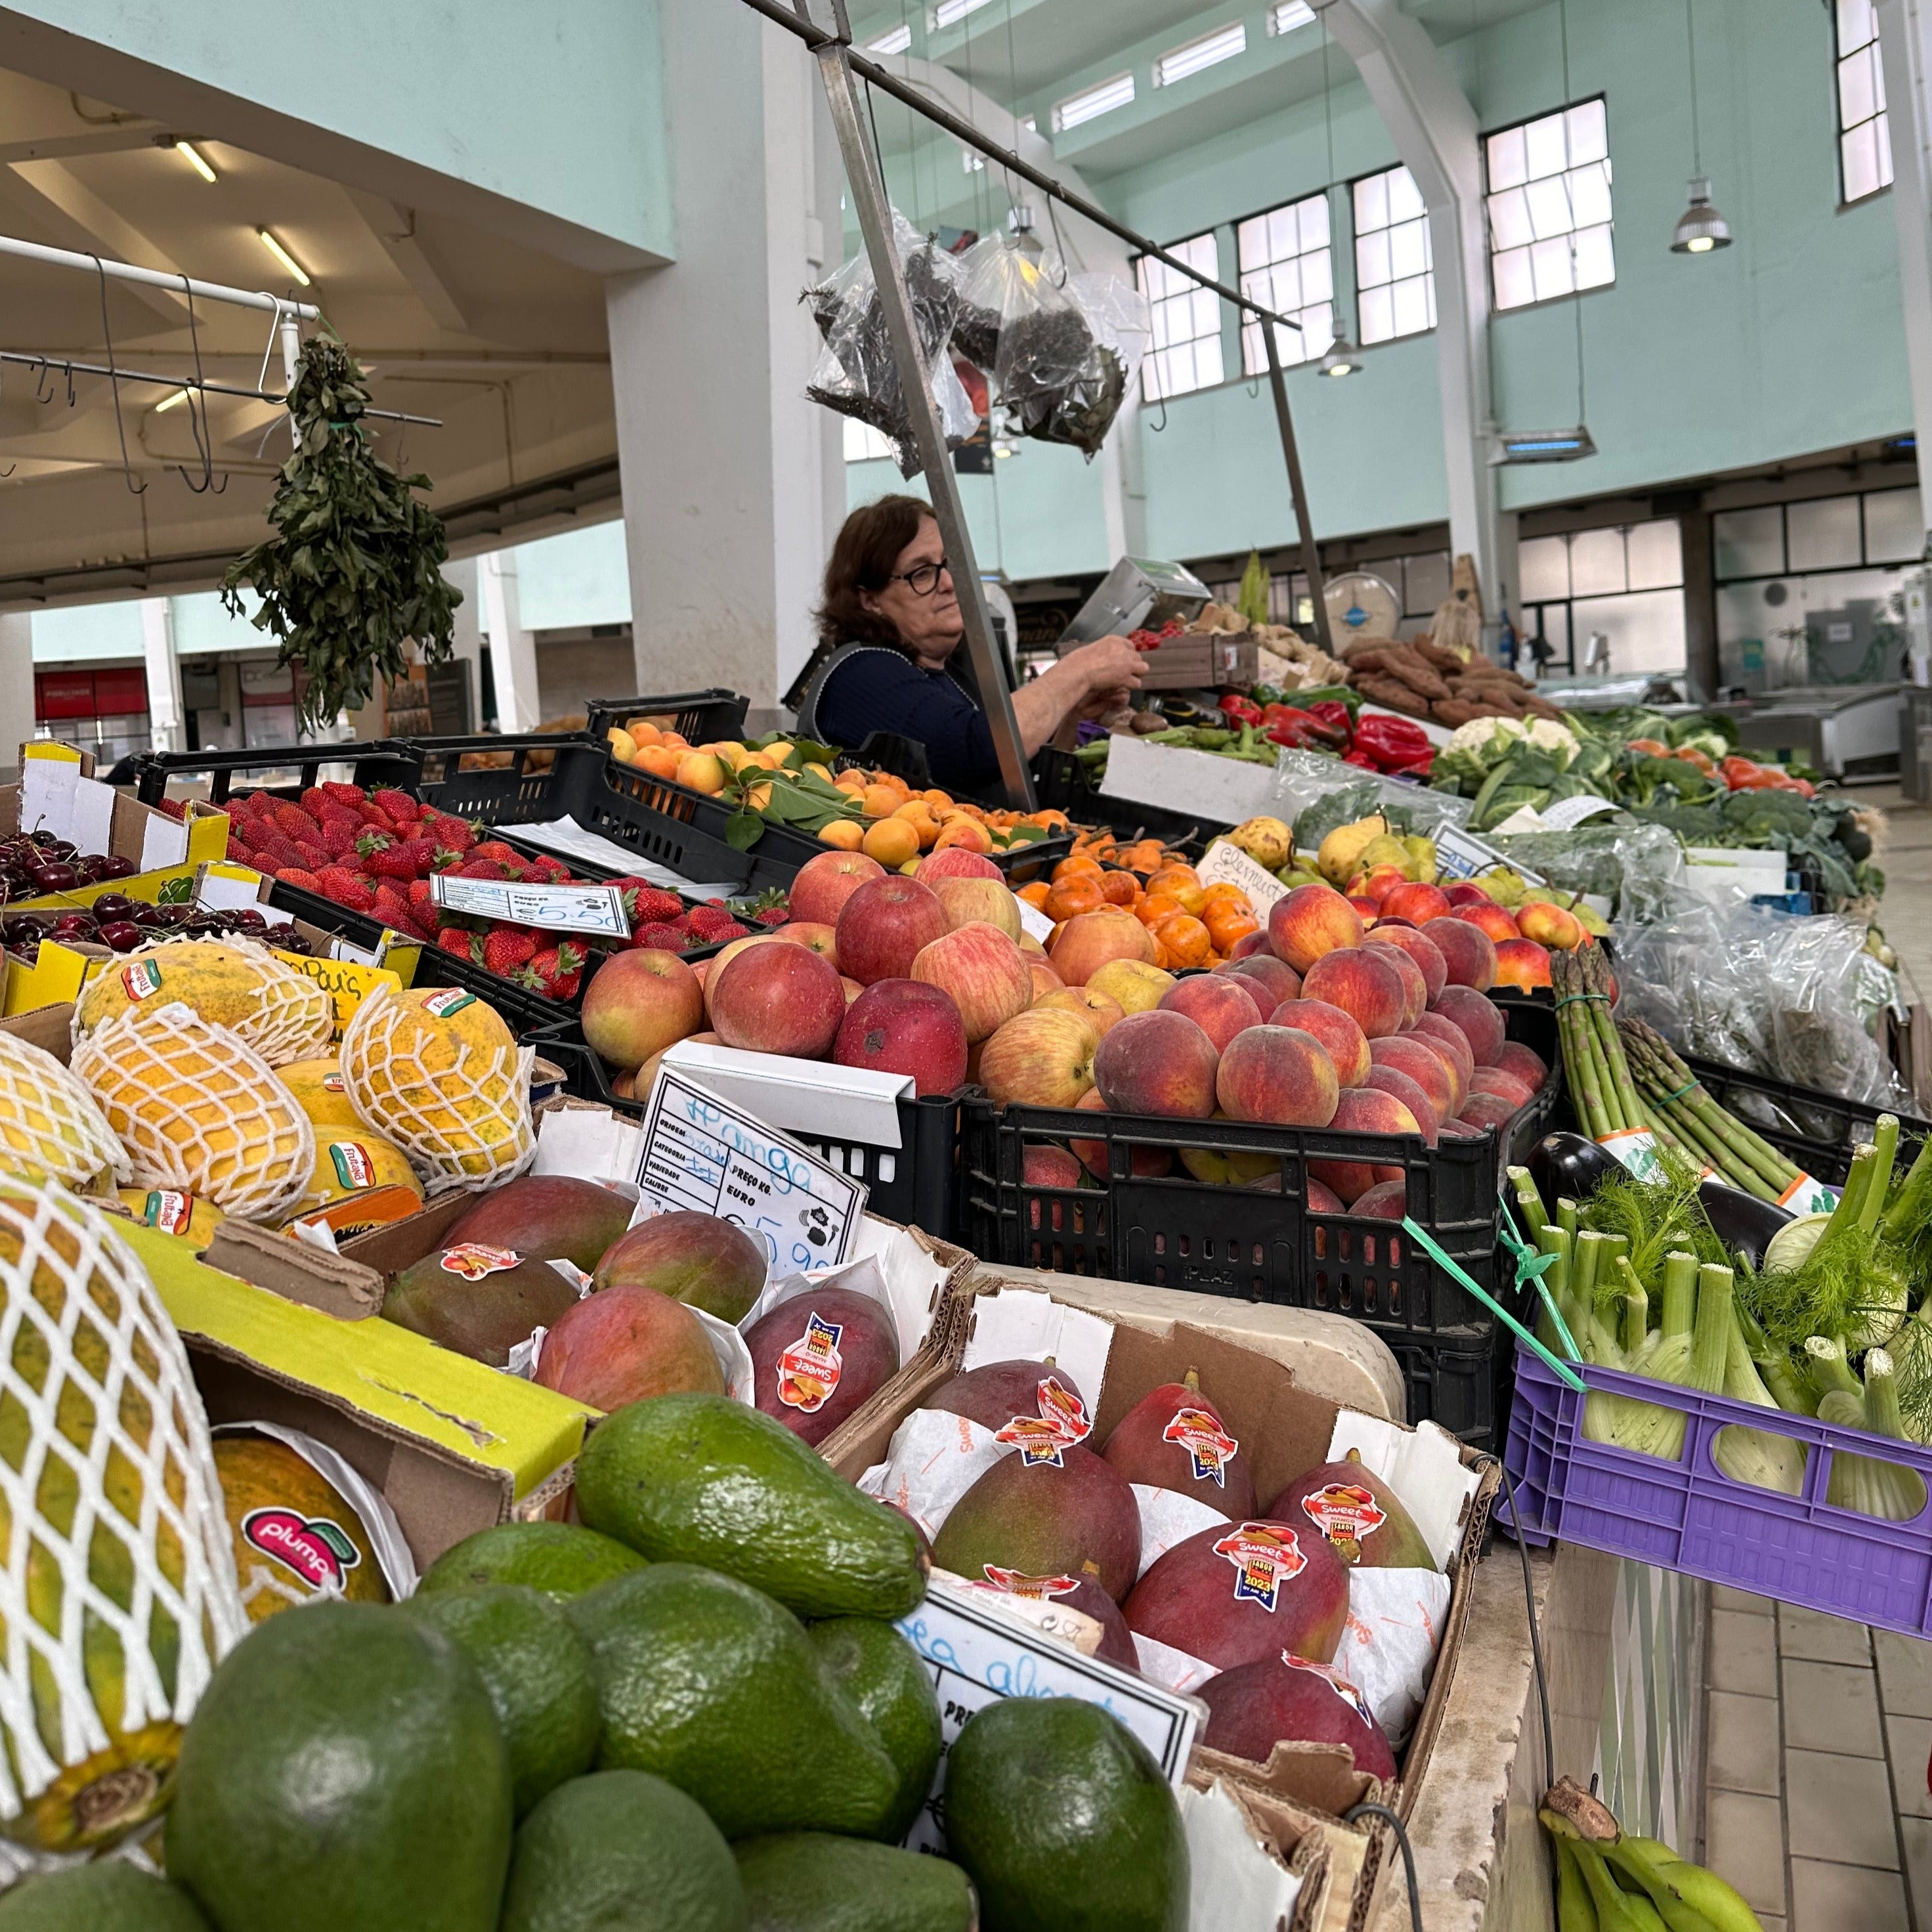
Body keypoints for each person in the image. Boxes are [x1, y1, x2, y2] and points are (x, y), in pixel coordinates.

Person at [794, 494, 1146, 796]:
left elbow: (1022, 790)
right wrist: (1079, 672)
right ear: (870, 600)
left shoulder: (950, 680)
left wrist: (1073, 713)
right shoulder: (862, 673)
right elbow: (975, 752)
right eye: (921, 573)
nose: (948, 583)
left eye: (949, 565)